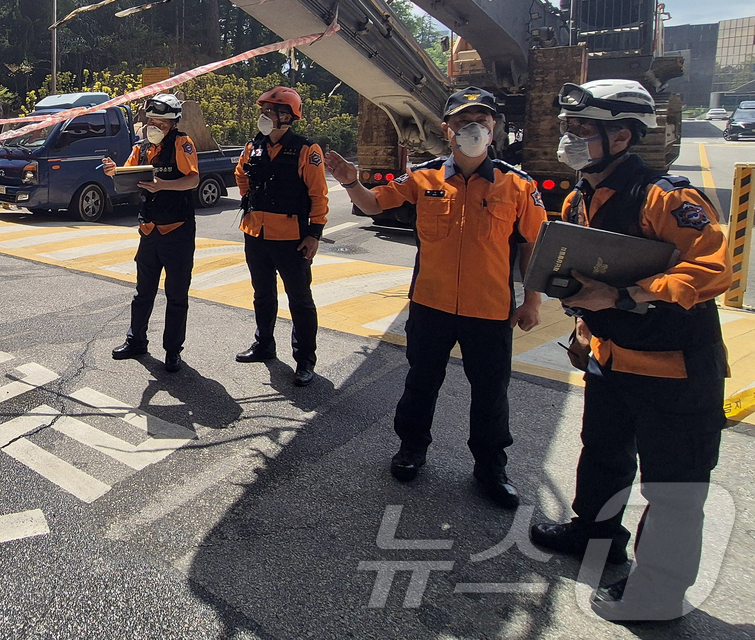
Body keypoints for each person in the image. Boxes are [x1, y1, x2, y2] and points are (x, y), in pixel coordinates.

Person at [528, 80, 731, 622]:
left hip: (675, 368)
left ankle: (658, 595)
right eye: (568, 126)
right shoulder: (578, 197)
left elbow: (713, 269)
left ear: (621, 137)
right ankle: (595, 535)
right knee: (603, 452)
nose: (569, 137)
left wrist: (624, 295)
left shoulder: (665, 197)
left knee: (673, 486)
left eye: (582, 129)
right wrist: (582, 320)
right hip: (611, 358)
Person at [324, 87, 545, 509]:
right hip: (431, 306)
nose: (473, 129)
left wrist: (532, 301)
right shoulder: (423, 177)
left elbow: (533, 245)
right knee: (421, 383)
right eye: (463, 122)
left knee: (491, 394)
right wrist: (351, 181)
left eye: (481, 121)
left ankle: (491, 468)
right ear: (447, 131)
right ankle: (411, 450)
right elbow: (372, 205)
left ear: (494, 129)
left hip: (490, 311)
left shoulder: (517, 184)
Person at [234, 86, 329, 386]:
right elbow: (240, 174)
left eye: (270, 111)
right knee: (262, 294)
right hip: (255, 233)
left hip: (291, 237)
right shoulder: (254, 146)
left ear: (287, 117)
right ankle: (264, 344)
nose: (264, 116)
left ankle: (305, 360)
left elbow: (318, 195)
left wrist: (314, 234)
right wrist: (250, 199)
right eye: (263, 110)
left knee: (299, 300)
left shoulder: (306, 150)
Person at [102, 93, 200, 373]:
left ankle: (173, 350)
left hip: (177, 230)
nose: (154, 126)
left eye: (161, 123)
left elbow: (193, 179)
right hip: (149, 229)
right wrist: (113, 171)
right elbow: (127, 175)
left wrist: (163, 185)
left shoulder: (182, 143)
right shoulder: (142, 148)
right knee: (143, 292)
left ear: (173, 124)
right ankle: (136, 341)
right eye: (151, 121)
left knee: (176, 294)